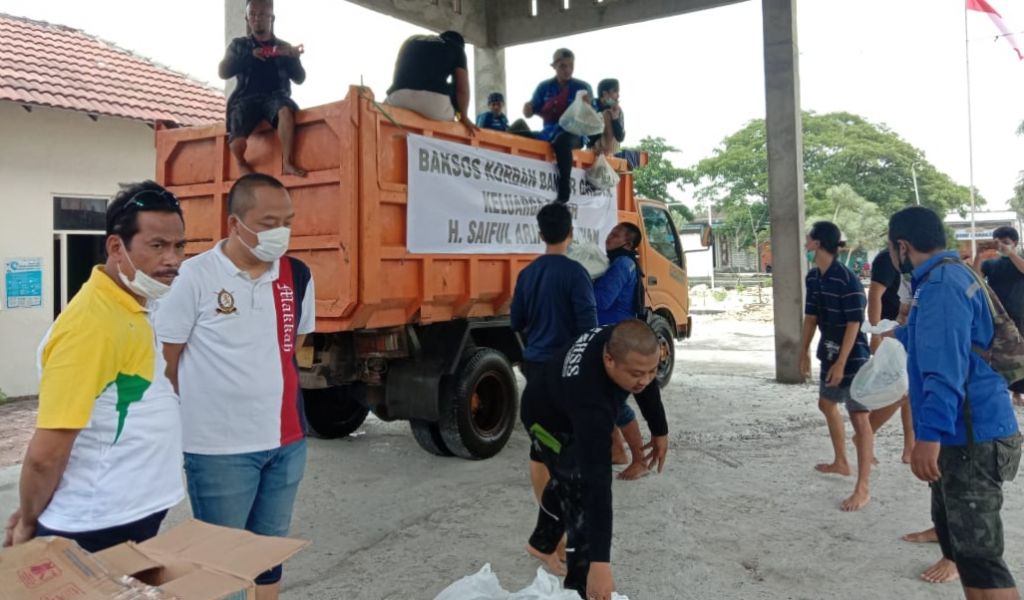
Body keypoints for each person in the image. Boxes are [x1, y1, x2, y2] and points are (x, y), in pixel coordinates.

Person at [157, 173, 315, 600]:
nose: (279, 232)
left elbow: (290, 349)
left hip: (286, 442)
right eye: (267, 222)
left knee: (267, 560)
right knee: (222, 569)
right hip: (218, 451)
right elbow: (166, 363)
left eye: (287, 221)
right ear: (234, 224)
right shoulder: (194, 276)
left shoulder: (297, 275)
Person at [3, 182, 185, 551]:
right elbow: (46, 453)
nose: (173, 259)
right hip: (96, 520)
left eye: (179, 245)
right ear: (117, 247)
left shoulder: (133, 302)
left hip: (132, 507)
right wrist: (28, 519)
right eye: (157, 246)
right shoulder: (90, 325)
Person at [888, 206, 1021, 599]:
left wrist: (928, 436)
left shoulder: (941, 286)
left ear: (903, 246)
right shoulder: (954, 275)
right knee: (966, 554)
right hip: (971, 431)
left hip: (970, 436)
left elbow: (946, 369)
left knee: (981, 564)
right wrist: (899, 337)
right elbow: (954, 344)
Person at [522, 319, 669, 600]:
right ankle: (586, 586)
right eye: (637, 373)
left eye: (652, 371)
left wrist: (659, 429)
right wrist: (601, 562)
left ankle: (541, 543)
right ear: (609, 359)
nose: (645, 380)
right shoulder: (591, 401)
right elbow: (598, 485)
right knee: (579, 490)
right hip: (546, 420)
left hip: (557, 397)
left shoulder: (624, 341)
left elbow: (644, 377)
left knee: (569, 477)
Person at [510, 202, 597, 574]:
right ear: (570, 233)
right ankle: (548, 541)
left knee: (540, 447)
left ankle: (555, 536)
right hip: (565, 372)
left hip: (535, 367)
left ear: (540, 234)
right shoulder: (577, 274)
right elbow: (589, 329)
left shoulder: (528, 275)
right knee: (569, 458)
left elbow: (517, 319)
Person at [798, 221, 874, 511]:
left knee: (859, 417)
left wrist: (842, 363)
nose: (806, 240)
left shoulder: (847, 280)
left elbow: (855, 323)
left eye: (809, 237)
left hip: (853, 357)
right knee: (826, 403)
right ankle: (841, 461)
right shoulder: (814, 277)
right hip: (829, 351)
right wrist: (803, 351)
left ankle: (862, 488)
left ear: (817, 243)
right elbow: (811, 317)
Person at [219, 0, 307, 177]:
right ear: (246, 18)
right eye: (252, 15)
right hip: (245, 98)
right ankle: (241, 163)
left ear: (271, 18)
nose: (256, 19)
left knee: (285, 111)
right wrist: (249, 56)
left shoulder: (283, 47)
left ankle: (287, 161)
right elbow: (223, 71)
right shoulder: (238, 45)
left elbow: (300, 78)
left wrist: (294, 58)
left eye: (261, 14)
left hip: (276, 97)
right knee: (237, 144)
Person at [593, 223, 648, 480]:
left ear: (627, 244)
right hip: (607, 336)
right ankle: (617, 451)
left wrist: (579, 285)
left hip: (615, 339)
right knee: (604, 399)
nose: (609, 236)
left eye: (616, 235)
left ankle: (640, 461)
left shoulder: (621, 265)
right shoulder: (619, 263)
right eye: (611, 231)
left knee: (615, 402)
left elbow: (602, 300)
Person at [523, 48, 593, 203]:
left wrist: (587, 106)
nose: (567, 70)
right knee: (518, 134)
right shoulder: (544, 87)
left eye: (570, 66)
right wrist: (527, 109)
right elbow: (530, 112)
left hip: (574, 133)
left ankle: (564, 190)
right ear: (554, 66)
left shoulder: (582, 88)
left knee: (562, 142)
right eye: (562, 66)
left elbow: (592, 116)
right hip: (548, 133)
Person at [867, 248, 916, 463]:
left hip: (905, 332)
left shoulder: (912, 261)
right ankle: (864, 434)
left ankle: (910, 448)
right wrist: (876, 333)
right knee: (899, 392)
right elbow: (874, 295)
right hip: (890, 333)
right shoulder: (887, 259)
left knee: (909, 393)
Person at [386, 30, 476, 137]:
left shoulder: (412, 39)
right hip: (434, 105)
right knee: (451, 129)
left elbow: (398, 75)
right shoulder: (456, 48)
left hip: (398, 99)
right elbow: (462, 89)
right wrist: (463, 117)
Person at [975, 226, 1024, 406]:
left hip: (1019, 314)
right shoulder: (991, 263)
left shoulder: (1019, 260)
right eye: (999, 242)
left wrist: (1011, 253)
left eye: (1006, 242)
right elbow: (976, 278)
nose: (1002, 246)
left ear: (1015, 243)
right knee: (998, 354)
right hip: (996, 315)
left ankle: (1018, 393)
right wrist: (979, 256)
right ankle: (1004, 390)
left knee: (1019, 354)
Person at [589, 78, 625, 156]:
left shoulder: (618, 110)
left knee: (608, 114)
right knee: (606, 114)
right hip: (593, 152)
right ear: (605, 94)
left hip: (612, 154)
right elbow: (587, 138)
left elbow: (620, 137)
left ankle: (607, 152)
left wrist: (615, 118)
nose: (618, 96)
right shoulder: (592, 106)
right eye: (615, 91)